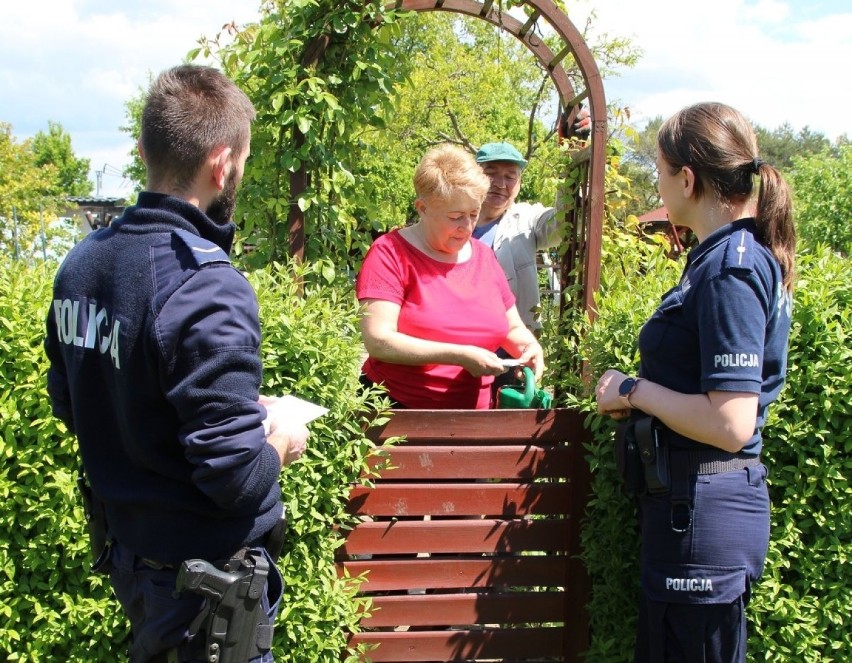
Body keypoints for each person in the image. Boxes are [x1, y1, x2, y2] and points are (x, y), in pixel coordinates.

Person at [45, 64, 309, 663]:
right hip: (205, 592)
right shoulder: (206, 285)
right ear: (222, 165)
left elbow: (78, 401)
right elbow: (236, 477)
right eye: (240, 161)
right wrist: (281, 438)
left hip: (133, 562)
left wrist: (227, 416)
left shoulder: (82, 265)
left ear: (143, 149)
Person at [594, 102, 795, 662]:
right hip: (689, 511)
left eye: (659, 171)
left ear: (687, 178)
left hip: (701, 515)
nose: (657, 184)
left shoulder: (730, 268)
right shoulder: (721, 259)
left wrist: (634, 391)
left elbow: (731, 423)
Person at [356, 143, 544, 409]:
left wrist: (529, 347)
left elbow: (512, 327)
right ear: (422, 208)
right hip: (395, 413)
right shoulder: (390, 253)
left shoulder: (484, 257)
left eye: (473, 214)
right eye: (456, 217)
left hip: (473, 419)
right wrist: (459, 355)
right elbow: (379, 341)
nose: (466, 227)